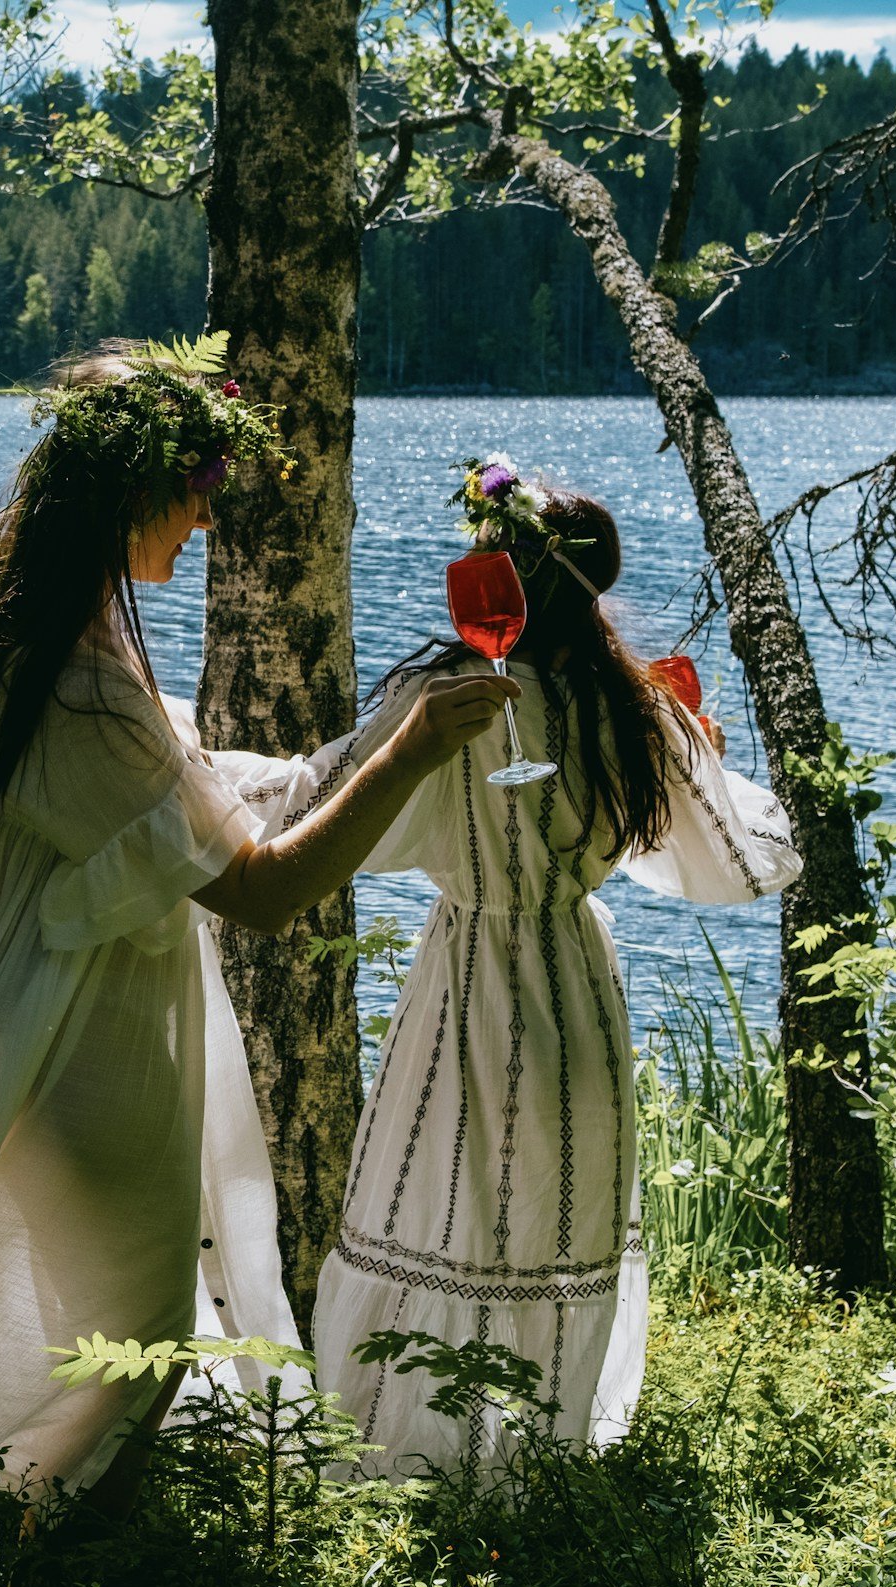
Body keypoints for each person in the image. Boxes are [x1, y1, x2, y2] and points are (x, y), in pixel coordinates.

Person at [0, 340, 516, 1506]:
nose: (203, 524)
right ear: (131, 493)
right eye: (194, 495)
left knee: (103, 1322)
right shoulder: (82, 686)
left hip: (8, 1021)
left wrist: (335, 756)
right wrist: (414, 747)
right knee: (139, 1330)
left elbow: (96, 807)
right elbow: (261, 891)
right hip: (77, 1034)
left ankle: (29, 1530)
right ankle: (39, 1549)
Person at [276, 463, 801, 1481]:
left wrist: (194, 776)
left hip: (471, 973)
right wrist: (701, 757)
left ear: (504, 580)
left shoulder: (446, 701)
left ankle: (409, 1453)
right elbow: (748, 857)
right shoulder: (634, 706)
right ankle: (535, 1457)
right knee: (549, 1215)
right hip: (575, 981)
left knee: (443, 1198)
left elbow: (314, 796)